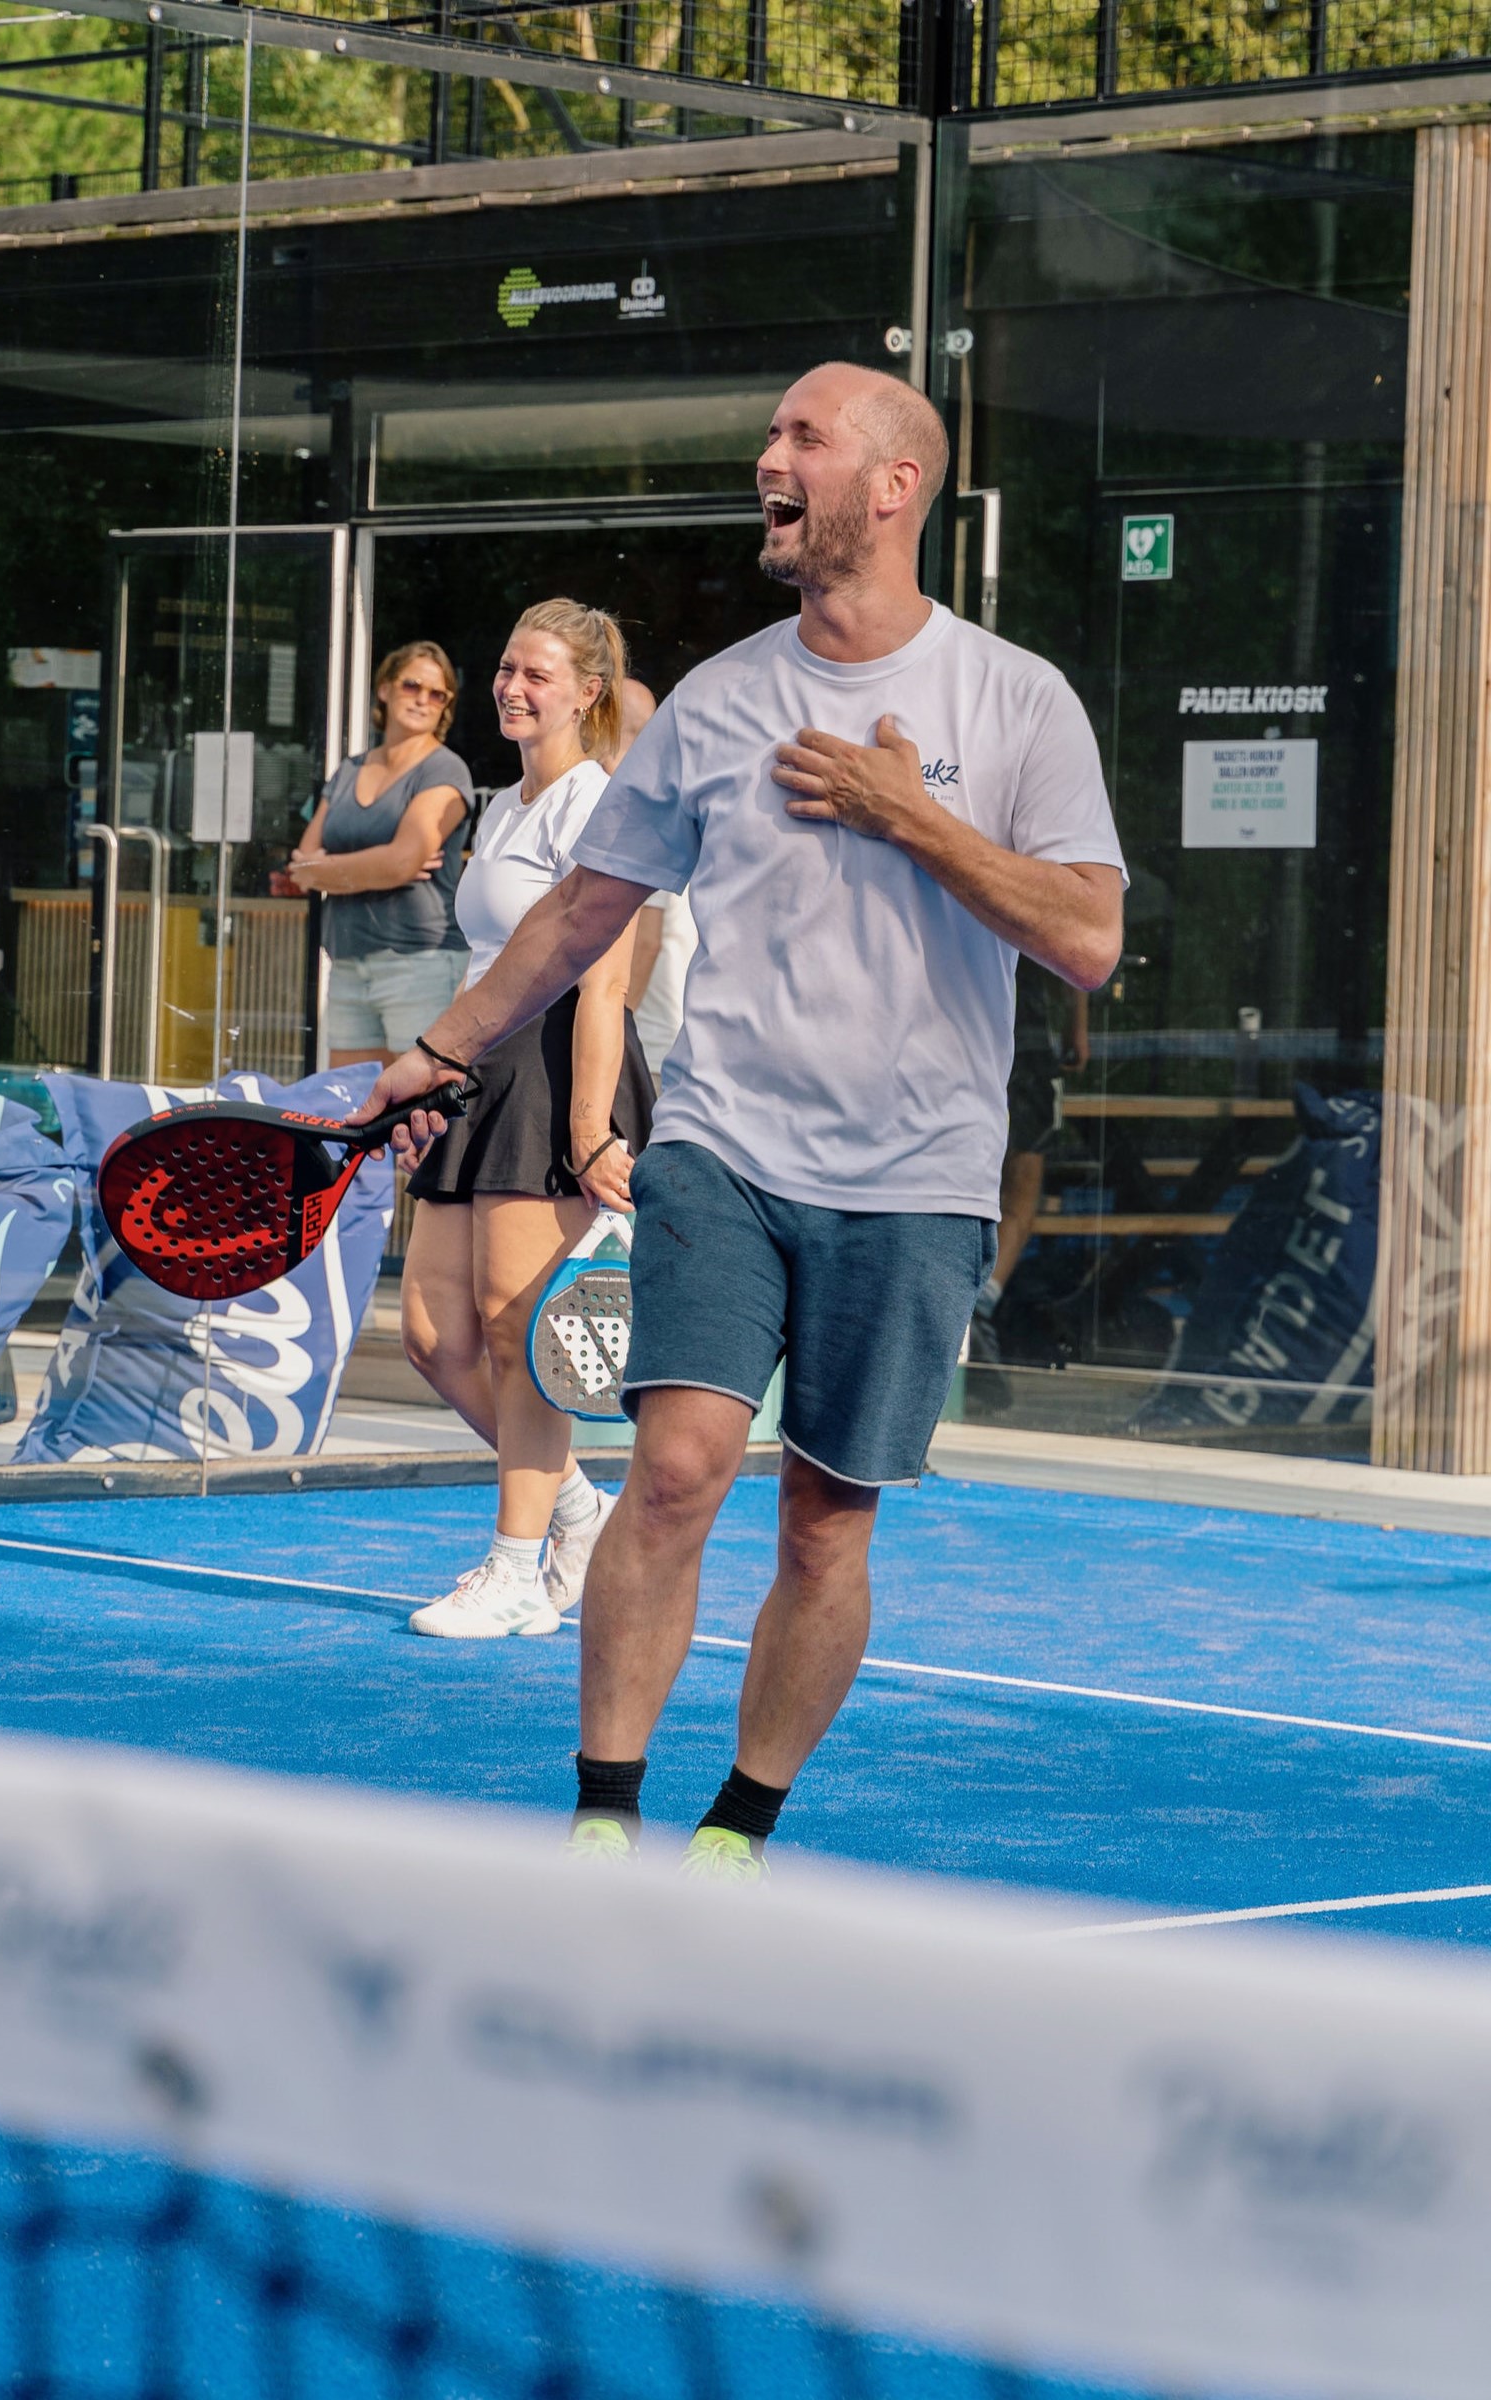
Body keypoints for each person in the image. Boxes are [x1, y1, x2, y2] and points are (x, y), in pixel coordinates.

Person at [360, 362, 1125, 1873]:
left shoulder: (1016, 697)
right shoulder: (719, 701)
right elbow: (587, 914)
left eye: (802, 437)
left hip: (917, 1179)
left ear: (894, 485)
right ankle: (603, 1816)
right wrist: (440, 1052)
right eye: (771, 432)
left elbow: (1089, 937)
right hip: (725, 1150)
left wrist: (915, 818)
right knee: (679, 1464)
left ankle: (741, 1826)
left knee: (828, 1524)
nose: (766, 455)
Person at [400, 601, 655, 1639]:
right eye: (504, 668)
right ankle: (581, 1508)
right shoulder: (504, 804)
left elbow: (602, 986)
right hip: (482, 1069)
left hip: (555, 1073)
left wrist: (591, 1126)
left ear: (587, 691)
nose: (511, 687)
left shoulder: (602, 805)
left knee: (517, 1330)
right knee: (429, 1336)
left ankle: (514, 1570)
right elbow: (485, 962)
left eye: (536, 674)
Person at [278, 642, 473, 1065]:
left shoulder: (445, 769)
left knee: (418, 1112)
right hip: (348, 961)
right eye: (412, 685)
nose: (423, 699)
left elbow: (401, 860)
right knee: (349, 1106)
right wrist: (381, 865)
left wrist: (339, 868)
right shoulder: (349, 769)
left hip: (420, 962)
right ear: (384, 689)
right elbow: (302, 867)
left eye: (437, 694)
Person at [973, 964, 1092, 1355]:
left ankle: (978, 1307)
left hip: (1009, 1033)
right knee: (1020, 1183)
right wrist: (1078, 1022)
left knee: (1022, 1179)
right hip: (991, 1030)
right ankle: (974, 1307)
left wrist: (1078, 1022)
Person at [609, 677, 700, 1068]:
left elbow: (646, 942)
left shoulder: (640, 812)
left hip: (645, 1047)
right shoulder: (661, 802)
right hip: (660, 1038)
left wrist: (609, 1044)